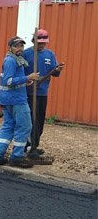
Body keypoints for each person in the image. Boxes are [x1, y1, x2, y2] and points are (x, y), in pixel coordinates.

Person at [0, 36, 40, 169]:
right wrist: (28, 77)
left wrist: (25, 80)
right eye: (16, 46)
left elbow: (13, 80)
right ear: (10, 48)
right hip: (16, 100)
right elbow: (8, 81)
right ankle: (17, 157)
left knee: (8, 127)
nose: (19, 48)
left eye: (21, 46)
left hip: (7, 99)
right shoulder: (11, 61)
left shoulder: (16, 60)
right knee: (24, 127)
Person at [23, 29, 64, 159]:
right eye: (39, 42)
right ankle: (28, 146)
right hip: (29, 93)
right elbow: (20, 74)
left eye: (43, 43)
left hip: (42, 93)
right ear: (33, 40)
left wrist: (57, 70)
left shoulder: (49, 54)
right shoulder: (26, 54)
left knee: (39, 121)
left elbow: (55, 73)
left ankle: (34, 144)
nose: (41, 45)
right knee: (30, 121)